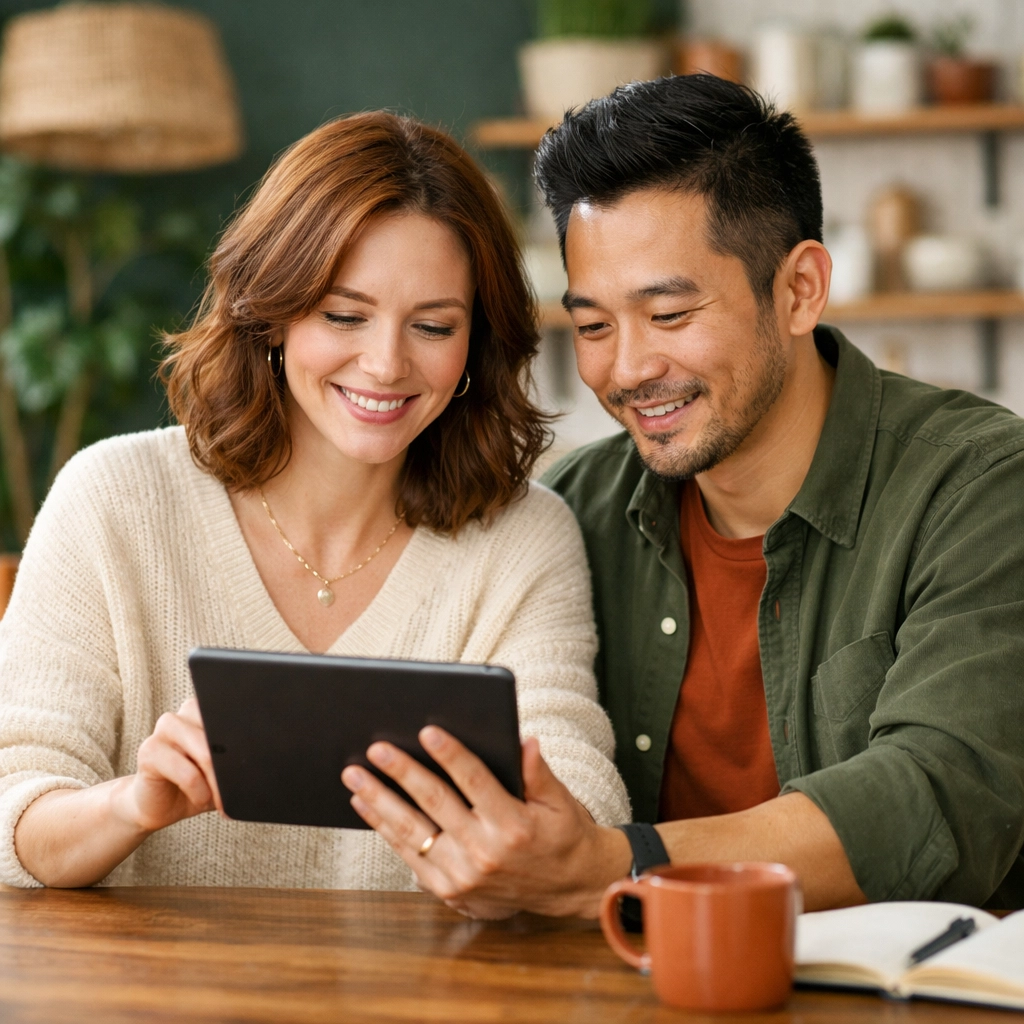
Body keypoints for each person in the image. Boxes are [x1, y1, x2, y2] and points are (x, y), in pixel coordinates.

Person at [345, 75, 1024, 917]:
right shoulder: (569, 515)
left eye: (668, 314)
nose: (626, 370)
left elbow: (941, 799)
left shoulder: (982, 487)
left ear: (800, 289)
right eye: (593, 326)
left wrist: (612, 864)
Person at [0, 112, 630, 890]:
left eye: (434, 326)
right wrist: (135, 805)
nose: (386, 363)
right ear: (272, 313)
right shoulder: (112, 503)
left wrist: (529, 857)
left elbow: (581, 810)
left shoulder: (523, 537)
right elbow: (13, 814)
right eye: (343, 316)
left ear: (478, 346)